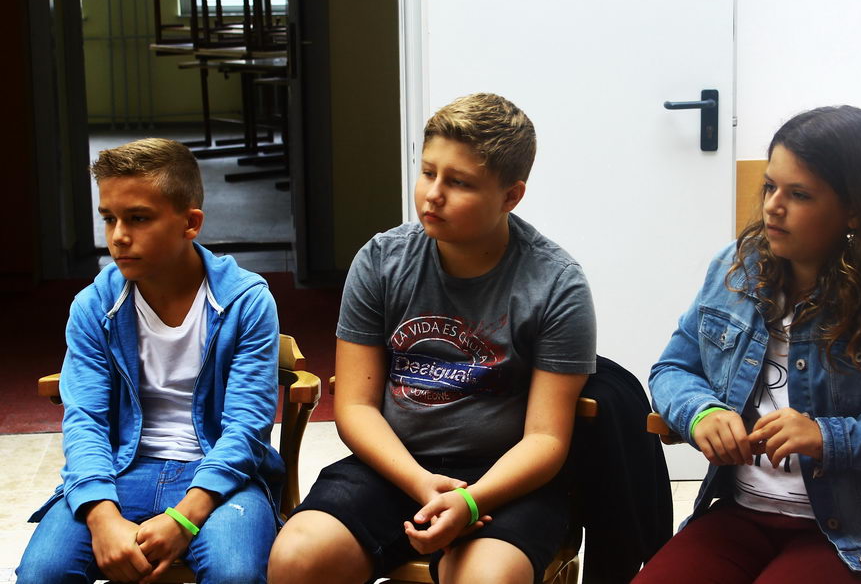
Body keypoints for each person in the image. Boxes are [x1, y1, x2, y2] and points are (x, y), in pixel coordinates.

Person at [635, 106, 861, 583]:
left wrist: (829, 437)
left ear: (855, 208)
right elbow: (672, 369)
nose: (772, 206)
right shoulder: (736, 267)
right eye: (770, 186)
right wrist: (701, 412)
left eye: (799, 194)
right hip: (740, 513)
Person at [268, 92, 597, 584]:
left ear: (511, 196)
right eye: (428, 172)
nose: (432, 195)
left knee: (487, 579)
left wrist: (470, 501)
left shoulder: (556, 284)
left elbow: (546, 438)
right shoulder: (381, 261)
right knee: (297, 558)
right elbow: (355, 406)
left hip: (504, 480)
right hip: (394, 466)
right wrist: (421, 483)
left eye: (458, 182)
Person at [16, 139, 283, 584]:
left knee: (235, 572)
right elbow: (85, 421)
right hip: (120, 468)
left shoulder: (246, 301)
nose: (119, 236)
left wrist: (185, 518)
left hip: (219, 475)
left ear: (190, 223)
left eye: (138, 218)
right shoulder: (94, 306)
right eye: (109, 218)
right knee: (43, 572)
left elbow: (246, 427)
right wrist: (102, 518)